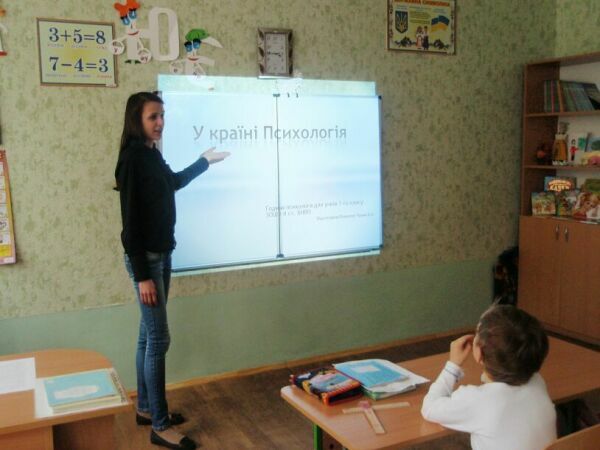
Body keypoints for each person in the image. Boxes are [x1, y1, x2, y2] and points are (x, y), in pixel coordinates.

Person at [115, 91, 229, 450]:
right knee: (159, 339)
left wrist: (203, 162)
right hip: (147, 262)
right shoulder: (132, 160)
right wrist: (142, 275)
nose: (160, 122)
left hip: (162, 255)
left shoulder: (151, 154)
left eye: (162, 115)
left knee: (147, 336)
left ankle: (147, 409)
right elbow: (130, 224)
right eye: (153, 116)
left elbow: (174, 183)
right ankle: (160, 426)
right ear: (137, 120)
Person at [421, 305, 556, 450]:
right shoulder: (537, 382)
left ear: (479, 353)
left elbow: (429, 408)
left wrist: (452, 366)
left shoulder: (478, 400)